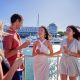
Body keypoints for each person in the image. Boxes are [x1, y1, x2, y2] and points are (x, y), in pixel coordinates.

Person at [3, 14, 30, 80]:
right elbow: (6, 55)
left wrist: (21, 64)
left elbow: (18, 51)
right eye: (21, 23)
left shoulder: (16, 34)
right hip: (12, 69)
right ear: (17, 21)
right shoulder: (8, 34)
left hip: (18, 67)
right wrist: (22, 46)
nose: (22, 25)